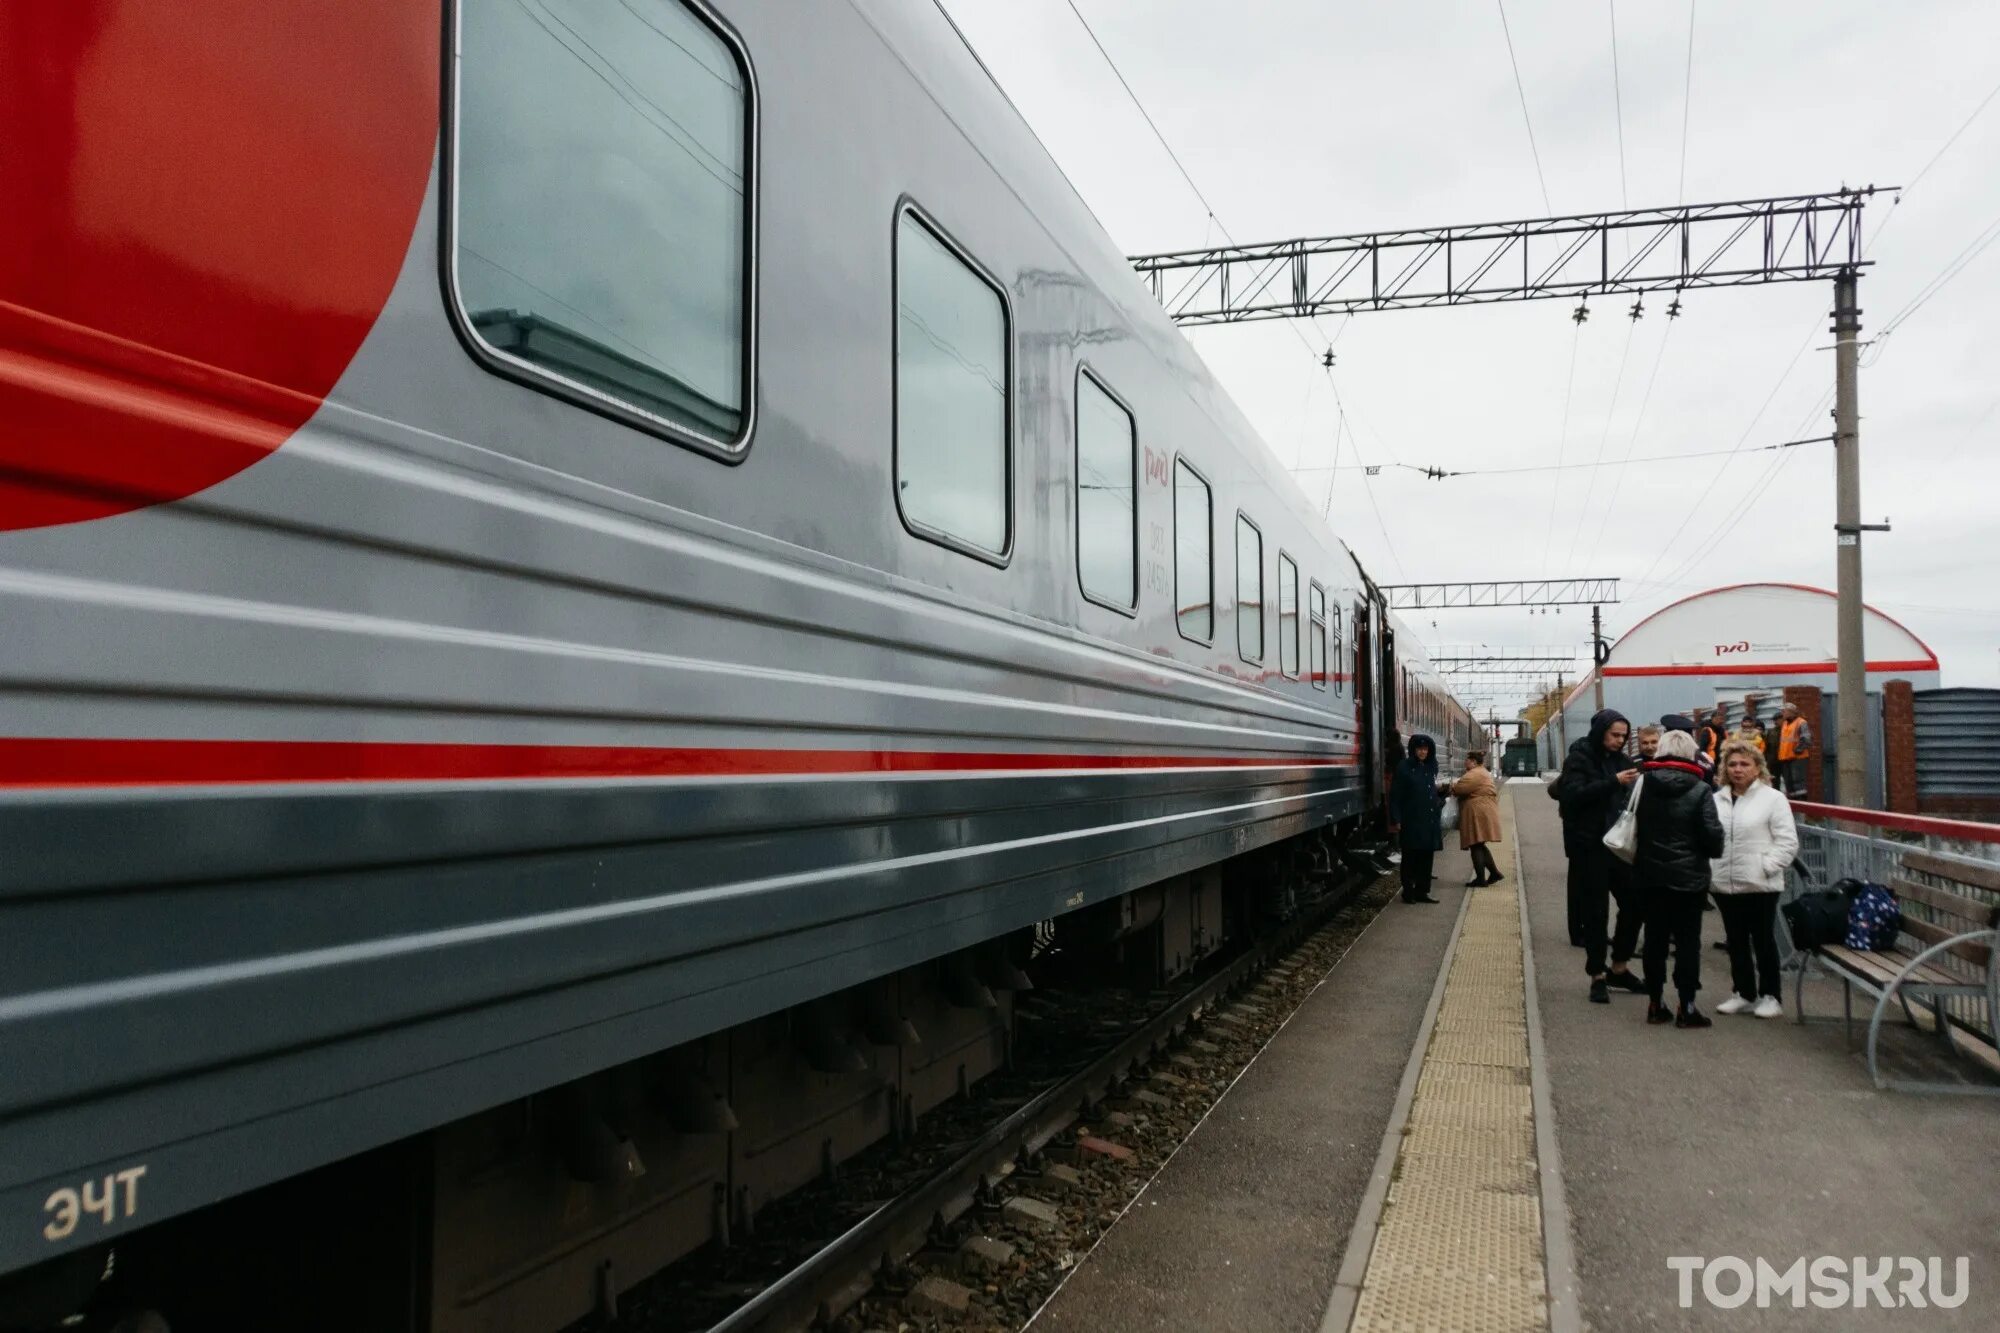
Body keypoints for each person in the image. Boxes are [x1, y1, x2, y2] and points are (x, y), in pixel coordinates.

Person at [1633, 730, 1726, 1027]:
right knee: (1687, 943)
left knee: (1654, 940)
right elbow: (1713, 838)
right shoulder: (1700, 789)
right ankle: (1686, 1006)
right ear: (1690, 753)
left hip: (1650, 876)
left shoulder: (1642, 783)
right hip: (1690, 880)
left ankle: (1655, 1003)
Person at [1554, 709, 1644, 1001]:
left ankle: (1619, 966)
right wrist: (1614, 782)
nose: (1620, 740)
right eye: (1614, 734)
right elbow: (1571, 797)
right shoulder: (1580, 758)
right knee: (1596, 913)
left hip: (1618, 846)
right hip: (1588, 846)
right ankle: (1598, 975)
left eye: (1623, 736)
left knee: (1634, 903)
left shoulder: (1623, 761)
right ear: (1601, 731)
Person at [1710, 739, 1799, 1017]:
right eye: (1732, 764)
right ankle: (1743, 992)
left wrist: (1767, 866)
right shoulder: (1716, 799)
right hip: (1724, 881)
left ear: (1758, 768)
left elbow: (1787, 841)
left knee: (1763, 940)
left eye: (1744, 764)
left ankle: (1771, 995)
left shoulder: (1773, 799)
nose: (1738, 769)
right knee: (1735, 940)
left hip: (1760, 883)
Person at [1389, 733, 1444, 904]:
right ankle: (1408, 892)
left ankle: (1423, 891)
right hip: (1411, 819)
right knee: (1410, 858)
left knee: (1426, 858)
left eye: (1426, 749)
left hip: (1429, 819)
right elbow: (1395, 796)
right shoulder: (1404, 767)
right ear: (1413, 750)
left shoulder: (1430, 766)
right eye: (1419, 749)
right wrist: (1396, 818)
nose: (1423, 752)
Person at [1450, 751, 1504, 886]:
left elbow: (1460, 789)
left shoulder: (1475, 774)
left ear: (1473, 761)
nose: (1465, 762)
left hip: (1478, 812)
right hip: (1483, 811)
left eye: (1467, 760)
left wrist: (1453, 786)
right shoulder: (1482, 772)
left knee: (1475, 845)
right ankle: (1494, 873)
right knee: (1479, 844)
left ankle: (1481, 879)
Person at [1775, 701, 1814, 799]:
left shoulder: (1801, 722)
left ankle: (1802, 805)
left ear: (1791, 712)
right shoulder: (1785, 724)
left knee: (1798, 783)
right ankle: (1794, 805)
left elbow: (1807, 739)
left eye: (1784, 711)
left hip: (1797, 758)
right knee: (1789, 783)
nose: (1782, 713)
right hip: (1786, 757)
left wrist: (1798, 750)